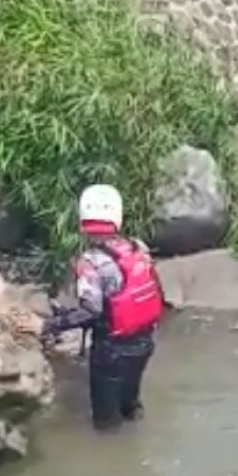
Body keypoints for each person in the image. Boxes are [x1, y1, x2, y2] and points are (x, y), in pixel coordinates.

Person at [40, 184, 163, 431]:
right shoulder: (138, 247)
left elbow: (91, 311)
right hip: (144, 343)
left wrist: (48, 325)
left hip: (111, 351)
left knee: (107, 425)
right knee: (130, 404)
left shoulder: (90, 262)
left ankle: (116, 461)